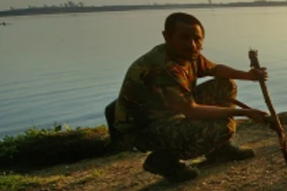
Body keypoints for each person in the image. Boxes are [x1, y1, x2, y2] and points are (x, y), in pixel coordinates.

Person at [111, 12, 270, 182]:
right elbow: (191, 110)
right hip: (141, 128)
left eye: (197, 39)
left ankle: (218, 149)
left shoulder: (187, 54)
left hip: (166, 112)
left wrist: (249, 75)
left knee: (225, 85)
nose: (193, 45)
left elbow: (215, 69)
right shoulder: (164, 67)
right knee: (224, 126)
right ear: (167, 37)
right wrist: (245, 113)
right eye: (185, 38)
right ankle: (163, 160)